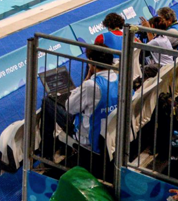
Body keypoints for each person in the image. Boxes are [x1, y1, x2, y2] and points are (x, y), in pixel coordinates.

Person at [39, 44, 118, 180]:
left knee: (48, 102)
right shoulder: (118, 78)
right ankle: (55, 149)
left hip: (87, 137)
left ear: (92, 62)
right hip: (110, 133)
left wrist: (86, 79)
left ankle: (46, 153)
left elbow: (70, 107)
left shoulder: (91, 85)